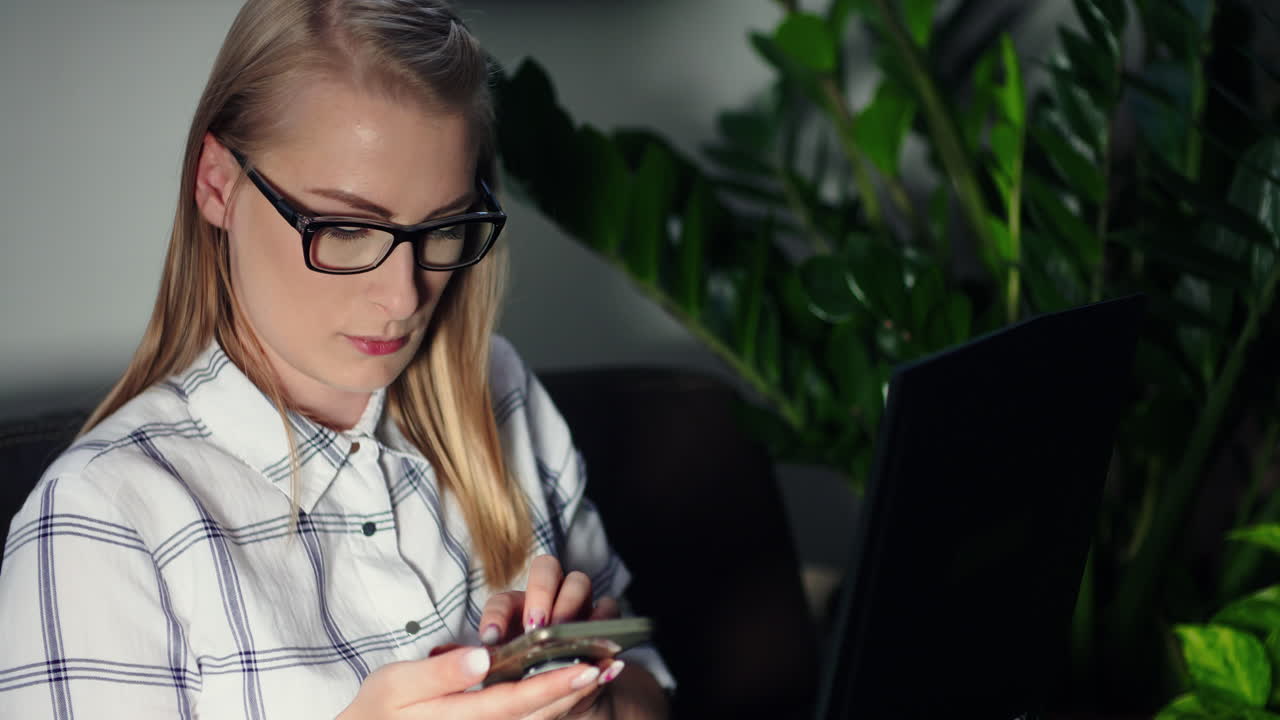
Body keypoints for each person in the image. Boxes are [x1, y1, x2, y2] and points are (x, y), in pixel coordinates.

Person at [0, 0, 672, 717]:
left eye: (445, 228)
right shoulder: (105, 521)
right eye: (347, 228)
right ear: (217, 183)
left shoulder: (499, 393)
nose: (403, 295)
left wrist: (587, 700)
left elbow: (647, 689)